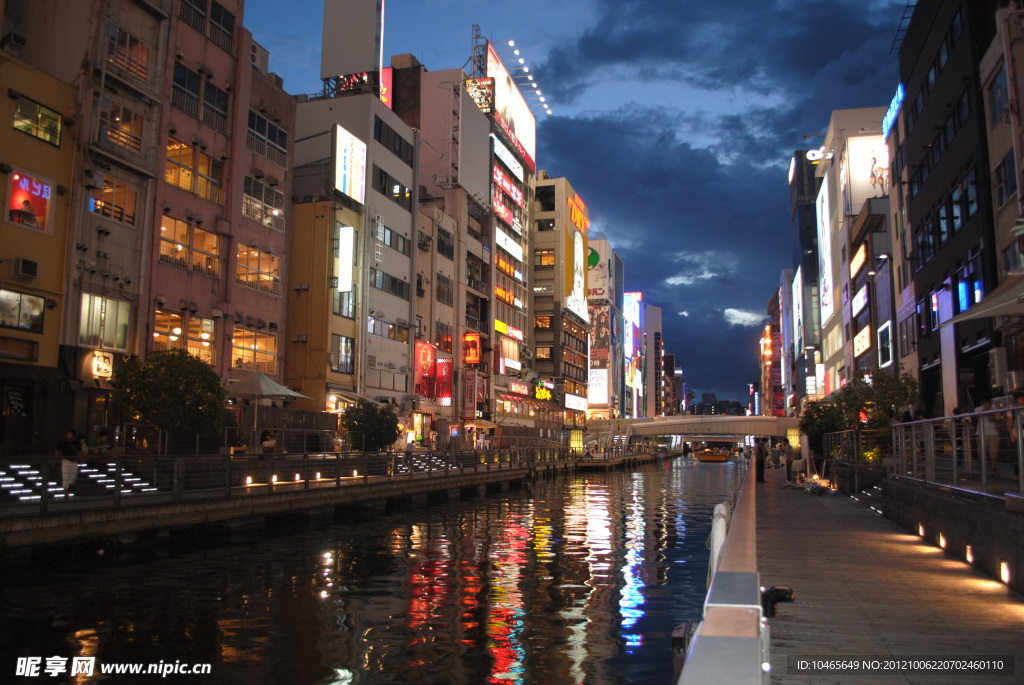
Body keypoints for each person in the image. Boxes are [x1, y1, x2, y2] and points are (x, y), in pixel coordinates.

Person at [976, 401, 1000, 474]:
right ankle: (982, 468)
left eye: (988, 403)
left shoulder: (995, 409)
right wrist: (985, 410)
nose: (986, 404)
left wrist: (988, 411)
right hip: (981, 433)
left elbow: (994, 419)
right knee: (982, 452)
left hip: (993, 433)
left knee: (993, 452)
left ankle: (993, 468)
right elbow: (978, 417)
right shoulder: (978, 409)